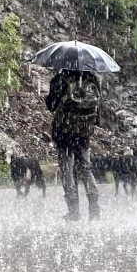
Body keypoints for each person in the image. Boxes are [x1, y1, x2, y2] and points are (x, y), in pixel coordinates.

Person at [45, 68, 100, 221]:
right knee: (86, 170)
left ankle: (74, 211)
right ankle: (94, 209)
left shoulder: (60, 79)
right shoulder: (92, 79)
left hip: (64, 135)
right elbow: (97, 112)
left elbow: (51, 105)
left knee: (67, 171)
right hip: (83, 135)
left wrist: (50, 98)